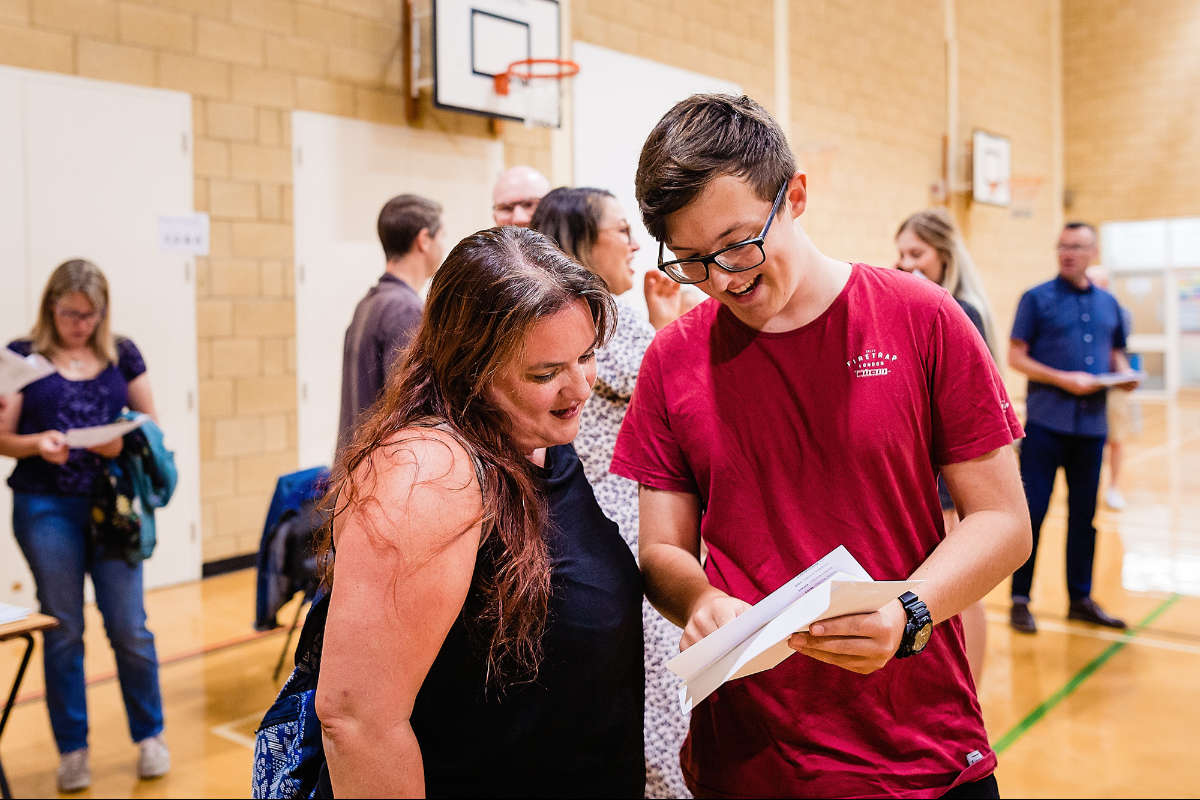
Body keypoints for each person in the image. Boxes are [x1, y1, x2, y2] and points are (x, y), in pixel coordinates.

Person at [612, 94, 1031, 798]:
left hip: (918, 750)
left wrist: (911, 610)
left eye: (740, 243)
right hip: (747, 759)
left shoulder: (921, 318)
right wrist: (701, 600)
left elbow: (1003, 520)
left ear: (796, 195)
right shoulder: (672, 360)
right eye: (691, 262)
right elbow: (662, 552)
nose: (723, 279)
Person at [314, 227, 645, 797]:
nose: (579, 387)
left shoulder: (538, 437)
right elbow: (358, 723)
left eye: (586, 356)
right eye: (545, 374)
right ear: (470, 368)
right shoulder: (429, 475)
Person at [531, 187, 688, 799]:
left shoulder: (571, 323)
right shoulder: (600, 323)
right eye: (620, 230)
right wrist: (667, 326)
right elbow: (676, 383)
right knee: (654, 701)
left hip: (578, 535)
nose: (634, 242)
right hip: (618, 539)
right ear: (579, 245)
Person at [0, 260, 169, 792]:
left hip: (110, 505)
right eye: (71, 313)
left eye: (90, 315)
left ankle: (150, 734)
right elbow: (2, 436)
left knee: (130, 627)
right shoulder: (21, 356)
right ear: (52, 305)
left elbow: (151, 426)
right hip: (46, 506)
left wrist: (124, 439)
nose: (81, 324)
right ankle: (73, 749)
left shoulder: (123, 353)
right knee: (64, 630)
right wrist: (36, 444)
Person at [1008, 223, 1140, 634]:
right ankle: (1020, 600)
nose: (1068, 253)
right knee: (1033, 514)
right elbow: (1016, 357)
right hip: (1046, 426)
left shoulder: (1109, 304)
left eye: (1077, 247)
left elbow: (1117, 353)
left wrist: (1123, 375)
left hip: (1091, 429)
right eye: (1063, 246)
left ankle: (1080, 598)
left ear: (1093, 251)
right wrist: (1062, 378)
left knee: (1086, 517)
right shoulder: (1036, 299)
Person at [894, 207, 1000, 684]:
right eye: (900, 254)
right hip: (920, 463)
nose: (905, 262)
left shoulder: (960, 309)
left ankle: (971, 687)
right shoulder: (914, 304)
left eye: (916, 253)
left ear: (944, 255)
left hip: (949, 467)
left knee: (960, 590)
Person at [336, 194, 445, 455]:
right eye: (441, 235)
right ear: (424, 240)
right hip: (380, 467)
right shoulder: (405, 310)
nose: (443, 245)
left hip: (357, 466)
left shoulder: (369, 303)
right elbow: (409, 406)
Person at [1085, 264, 1134, 511]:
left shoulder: (1118, 311)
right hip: (1085, 387)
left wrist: (1126, 374)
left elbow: (1118, 351)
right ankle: (1090, 488)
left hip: (1112, 386)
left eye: (1099, 281)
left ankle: (1113, 487)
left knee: (1116, 439)